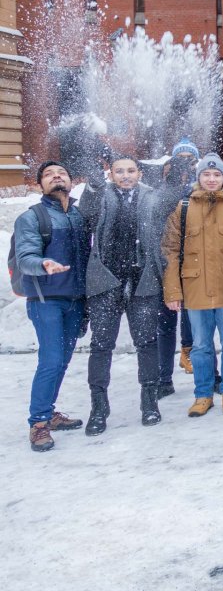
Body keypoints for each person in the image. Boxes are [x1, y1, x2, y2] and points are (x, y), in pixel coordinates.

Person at [161, 154, 223, 418]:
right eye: (206, 175)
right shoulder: (184, 207)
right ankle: (202, 395)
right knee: (200, 346)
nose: (211, 179)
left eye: (216, 175)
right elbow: (169, 249)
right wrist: (173, 291)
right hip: (195, 287)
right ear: (198, 177)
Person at [78, 155, 164, 435]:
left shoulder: (151, 197)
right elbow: (87, 211)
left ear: (139, 173)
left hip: (142, 281)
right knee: (101, 345)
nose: (125, 176)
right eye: (119, 171)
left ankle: (149, 401)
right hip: (107, 280)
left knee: (147, 343)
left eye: (130, 171)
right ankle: (99, 407)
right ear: (111, 174)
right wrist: (92, 185)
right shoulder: (100, 195)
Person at [16, 161, 89, 452]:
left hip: (75, 299)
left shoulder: (79, 215)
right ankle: (38, 424)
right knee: (51, 360)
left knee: (63, 360)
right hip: (46, 300)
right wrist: (43, 263)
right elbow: (24, 256)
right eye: (48, 174)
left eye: (62, 173)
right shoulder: (32, 217)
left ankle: (49, 411)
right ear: (39, 185)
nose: (56, 177)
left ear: (71, 182)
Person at [153, 153, 198, 397]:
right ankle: (164, 378)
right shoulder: (160, 194)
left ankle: (189, 356)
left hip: (191, 262)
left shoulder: (191, 193)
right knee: (167, 323)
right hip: (164, 263)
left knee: (193, 319)